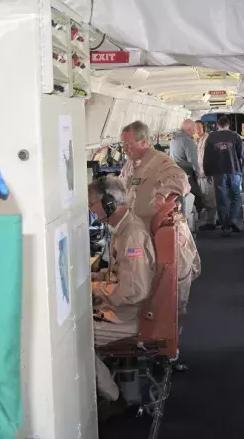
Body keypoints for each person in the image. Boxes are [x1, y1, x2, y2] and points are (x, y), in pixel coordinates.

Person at [88, 176, 155, 411]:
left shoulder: (131, 235)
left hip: (131, 317)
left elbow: (134, 289)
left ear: (109, 203)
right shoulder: (125, 229)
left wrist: (96, 289)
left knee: (76, 338)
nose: (91, 210)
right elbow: (124, 274)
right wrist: (99, 278)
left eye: (92, 204)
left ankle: (110, 396)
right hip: (126, 311)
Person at [119, 120, 201, 314]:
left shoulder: (159, 161)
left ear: (144, 141)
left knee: (169, 284)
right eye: (123, 145)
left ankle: (172, 322)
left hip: (156, 232)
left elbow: (181, 179)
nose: (125, 149)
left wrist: (162, 193)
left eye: (129, 144)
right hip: (137, 233)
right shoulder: (131, 164)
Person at [203, 115, 244, 236]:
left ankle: (225, 224)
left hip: (218, 171)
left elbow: (207, 157)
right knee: (236, 195)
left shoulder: (211, 137)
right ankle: (234, 220)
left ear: (218, 125)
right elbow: (242, 154)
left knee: (221, 197)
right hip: (234, 170)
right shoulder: (235, 136)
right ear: (228, 125)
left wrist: (207, 173)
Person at [169, 119, 204, 214]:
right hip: (186, 173)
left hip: (174, 173)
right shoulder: (188, 141)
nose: (195, 130)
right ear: (190, 128)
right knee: (199, 197)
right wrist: (198, 174)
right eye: (194, 128)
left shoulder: (173, 139)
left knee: (182, 196)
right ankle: (196, 220)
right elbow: (193, 161)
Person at [195, 120, 218, 231]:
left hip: (207, 172)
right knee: (204, 197)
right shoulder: (195, 140)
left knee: (210, 197)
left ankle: (211, 222)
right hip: (199, 173)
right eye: (196, 128)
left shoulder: (208, 139)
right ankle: (211, 219)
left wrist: (209, 171)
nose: (197, 130)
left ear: (204, 128)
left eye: (199, 128)